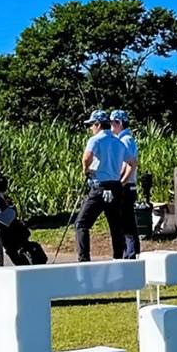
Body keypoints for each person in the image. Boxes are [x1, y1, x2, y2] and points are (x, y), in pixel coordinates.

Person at [75, 110, 127, 262]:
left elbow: (86, 158)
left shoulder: (95, 140)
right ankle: (118, 257)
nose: (91, 128)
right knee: (115, 224)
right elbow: (130, 161)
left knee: (82, 223)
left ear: (98, 125)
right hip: (116, 185)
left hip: (100, 185)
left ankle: (84, 259)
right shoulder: (118, 142)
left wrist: (86, 170)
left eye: (91, 125)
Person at [110, 110, 140, 259]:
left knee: (126, 222)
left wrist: (121, 183)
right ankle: (130, 252)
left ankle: (130, 254)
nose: (110, 127)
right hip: (127, 185)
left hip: (126, 186)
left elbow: (130, 164)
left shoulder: (125, 140)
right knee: (127, 221)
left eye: (112, 123)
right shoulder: (126, 138)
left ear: (119, 123)